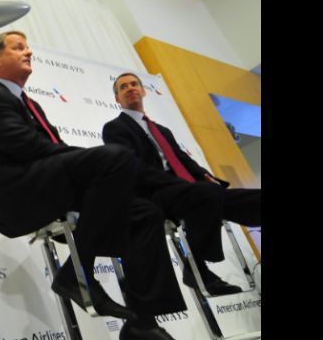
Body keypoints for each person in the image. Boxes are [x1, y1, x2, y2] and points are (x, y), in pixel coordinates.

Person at [0, 31, 212, 340]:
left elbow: (51, 154)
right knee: (115, 158)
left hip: (48, 185)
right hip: (19, 194)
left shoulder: (31, 103)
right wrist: (85, 159)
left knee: (145, 214)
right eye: (18, 48)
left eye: (27, 47)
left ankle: (143, 324)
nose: (28, 52)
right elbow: (24, 147)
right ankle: (77, 272)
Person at [103, 72, 261, 295]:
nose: (130, 88)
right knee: (207, 194)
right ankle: (197, 268)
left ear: (143, 90)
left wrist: (205, 175)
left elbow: (181, 158)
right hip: (154, 193)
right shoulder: (115, 128)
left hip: (189, 191)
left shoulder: (162, 130)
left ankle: (195, 267)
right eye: (123, 87)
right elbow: (133, 168)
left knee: (249, 198)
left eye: (134, 84)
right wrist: (181, 184)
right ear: (117, 99)